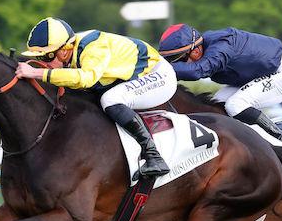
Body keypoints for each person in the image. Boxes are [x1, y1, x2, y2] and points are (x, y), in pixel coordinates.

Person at [16, 17, 176, 177]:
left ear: (64, 51)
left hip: (158, 75)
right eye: (39, 58)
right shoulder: (70, 52)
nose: (43, 63)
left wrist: (36, 73)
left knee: (110, 99)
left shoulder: (93, 48)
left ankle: (153, 156)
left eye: (46, 57)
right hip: (129, 76)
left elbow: (86, 78)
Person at [157, 23, 282, 144]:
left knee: (236, 105)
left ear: (195, 51)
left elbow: (197, 71)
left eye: (176, 60)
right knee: (214, 108)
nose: (174, 64)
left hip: (281, 73)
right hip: (253, 75)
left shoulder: (222, 46)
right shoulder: (205, 46)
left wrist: (161, 68)